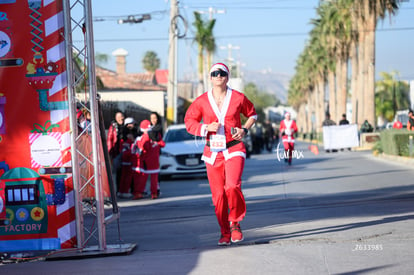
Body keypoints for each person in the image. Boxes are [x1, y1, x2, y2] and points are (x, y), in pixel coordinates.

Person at [184, 62, 257, 246]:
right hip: (212, 151)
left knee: (232, 186)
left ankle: (235, 223)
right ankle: (224, 231)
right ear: (210, 78)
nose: (218, 76)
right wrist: (205, 127)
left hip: (234, 147)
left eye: (222, 73)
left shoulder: (238, 97)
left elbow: (252, 114)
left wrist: (245, 130)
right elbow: (189, 121)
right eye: (215, 73)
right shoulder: (201, 100)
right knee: (218, 196)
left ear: (227, 77)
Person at [131, 119, 165, 200]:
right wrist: (156, 143)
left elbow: (142, 148)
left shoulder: (143, 137)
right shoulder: (157, 135)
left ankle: (139, 193)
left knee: (142, 179)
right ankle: (154, 193)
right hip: (155, 161)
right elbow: (163, 144)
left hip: (145, 161)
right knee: (154, 179)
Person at [107, 111, 125, 192]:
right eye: (118, 117)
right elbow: (109, 139)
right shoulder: (113, 127)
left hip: (126, 151)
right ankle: (118, 189)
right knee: (118, 171)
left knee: (126, 171)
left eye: (121, 116)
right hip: (116, 151)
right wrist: (109, 151)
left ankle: (125, 189)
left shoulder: (126, 125)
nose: (120, 118)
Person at [149, 111, 163, 197]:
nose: (154, 120)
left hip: (156, 153)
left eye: (155, 118)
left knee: (156, 173)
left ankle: (156, 189)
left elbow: (155, 138)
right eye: (152, 118)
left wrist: (148, 131)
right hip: (149, 153)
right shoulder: (149, 127)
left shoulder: (158, 127)